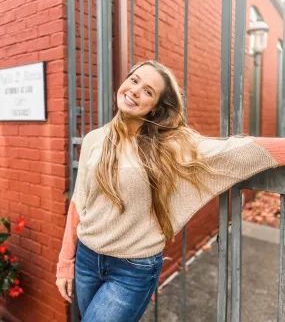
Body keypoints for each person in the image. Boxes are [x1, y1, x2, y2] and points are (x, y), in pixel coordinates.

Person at [56, 60, 285, 321]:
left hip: (132, 269)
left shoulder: (170, 145)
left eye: (148, 91)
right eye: (134, 80)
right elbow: (79, 203)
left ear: (155, 107)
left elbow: (234, 152)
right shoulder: (94, 139)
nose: (135, 90)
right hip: (87, 259)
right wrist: (65, 263)